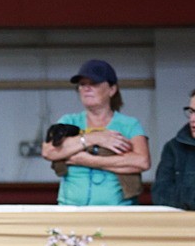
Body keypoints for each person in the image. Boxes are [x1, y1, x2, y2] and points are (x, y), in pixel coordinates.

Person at [41, 59, 149, 206]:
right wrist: (93, 138)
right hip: (70, 209)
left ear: (112, 89)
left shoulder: (129, 124)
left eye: (94, 84)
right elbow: (49, 151)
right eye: (82, 84)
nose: (87, 88)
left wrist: (86, 160)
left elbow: (142, 161)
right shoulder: (69, 121)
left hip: (118, 211)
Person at [151, 89, 195, 210]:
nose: (192, 119)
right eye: (191, 111)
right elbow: (160, 195)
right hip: (183, 225)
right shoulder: (173, 148)